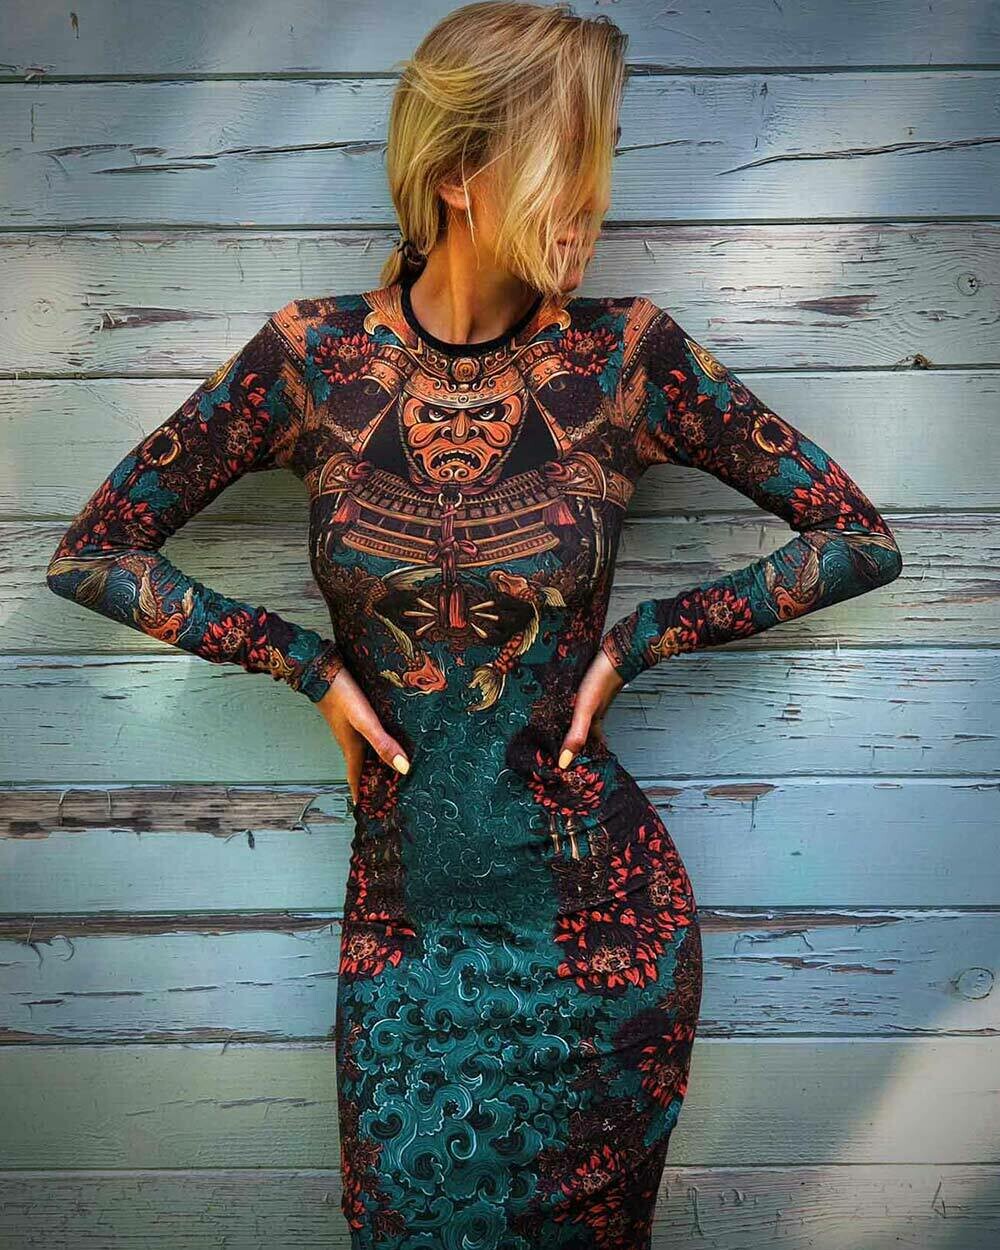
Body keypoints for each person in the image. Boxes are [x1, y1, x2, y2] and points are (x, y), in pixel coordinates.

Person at [44, 3, 903, 1246]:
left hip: (601, 940)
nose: (592, 207)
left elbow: (854, 535)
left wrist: (641, 639)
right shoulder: (312, 359)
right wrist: (308, 665)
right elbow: (97, 550)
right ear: (456, 175)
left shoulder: (628, 358)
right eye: (571, 167)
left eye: (603, 167)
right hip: (406, 940)